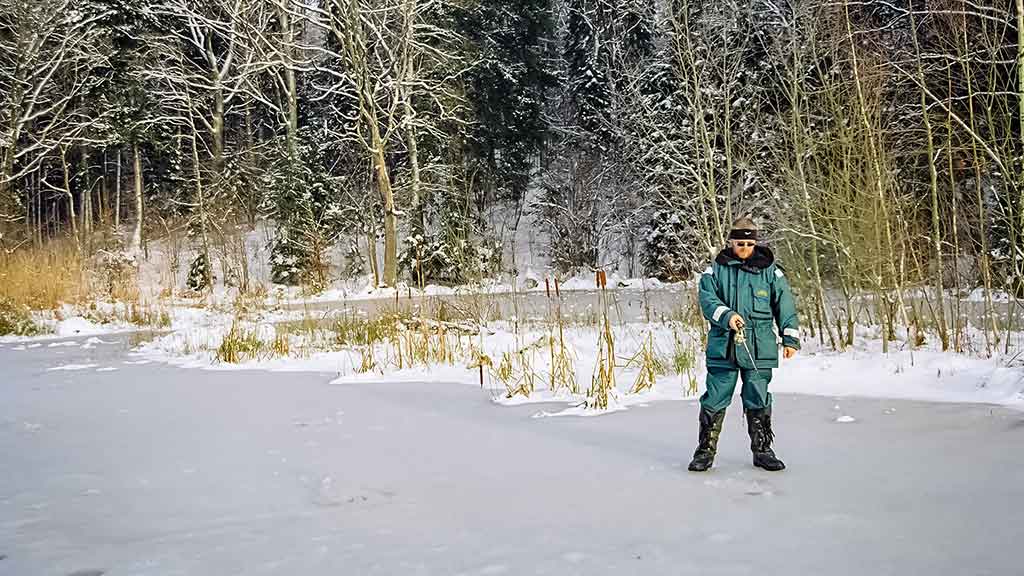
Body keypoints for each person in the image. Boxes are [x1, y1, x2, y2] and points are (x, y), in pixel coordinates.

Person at [688, 217, 800, 472]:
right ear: (731, 242)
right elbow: (707, 300)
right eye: (740, 243)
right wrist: (727, 316)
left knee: (758, 396)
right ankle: (704, 452)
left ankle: (763, 450)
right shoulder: (715, 271)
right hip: (723, 347)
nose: (745, 248)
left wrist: (790, 338)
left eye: (750, 244)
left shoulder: (771, 272)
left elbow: (785, 305)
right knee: (715, 397)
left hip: (759, 347)